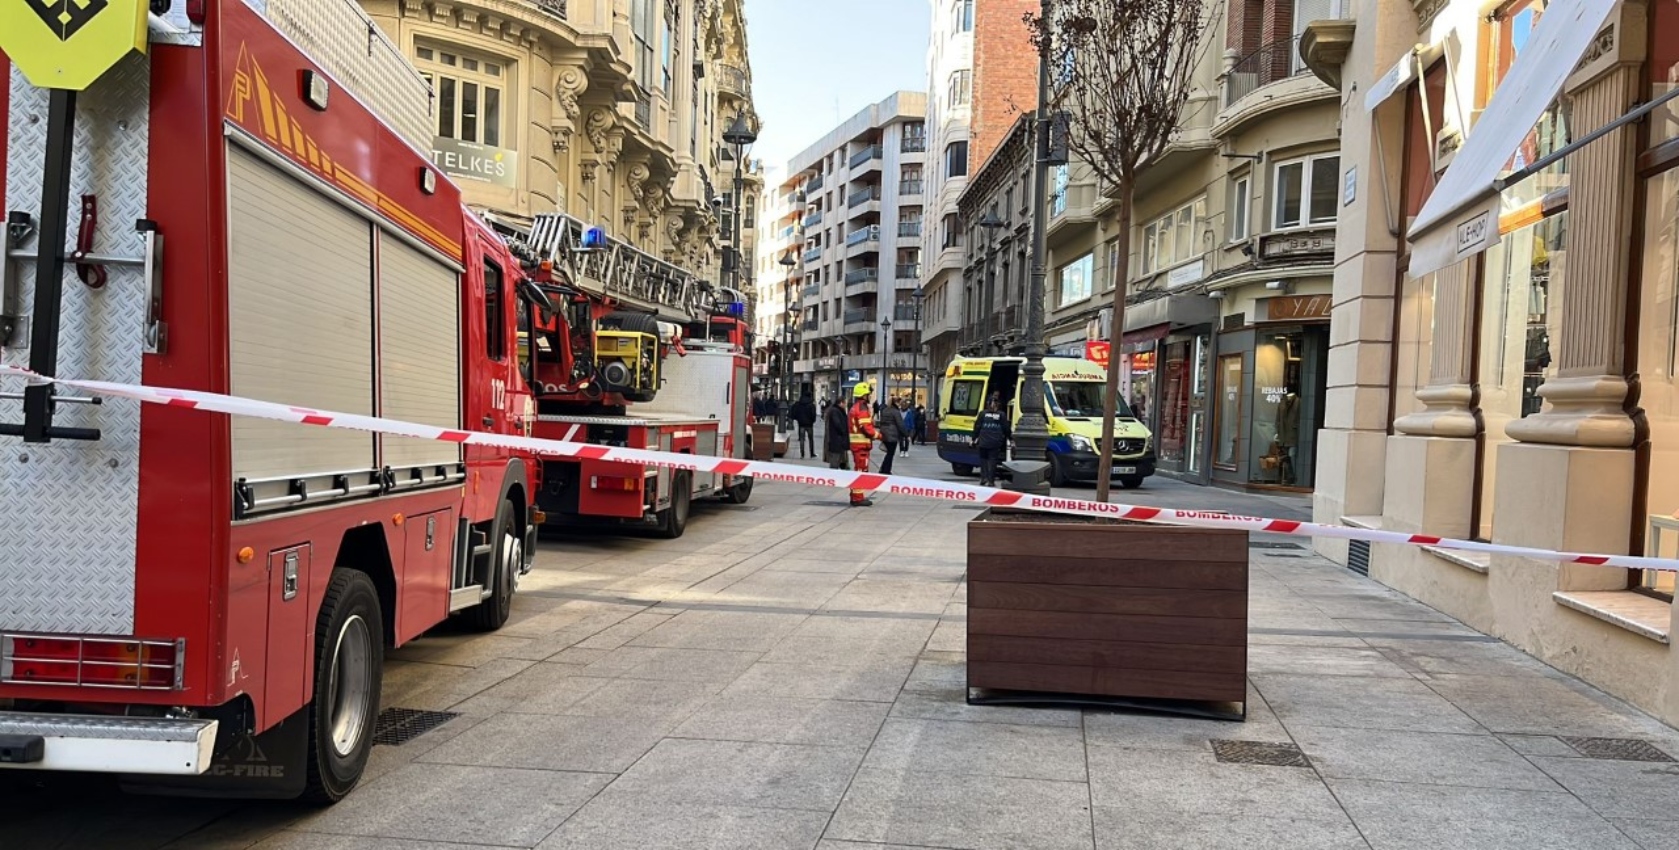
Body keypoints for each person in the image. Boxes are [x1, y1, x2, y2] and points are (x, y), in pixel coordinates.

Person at [848, 383, 879, 506]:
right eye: (868, 394)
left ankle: (855, 495)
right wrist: (880, 436)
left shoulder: (856, 406)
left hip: (858, 445)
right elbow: (867, 428)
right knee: (861, 470)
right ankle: (857, 498)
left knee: (859, 469)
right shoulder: (862, 408)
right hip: (861, 446)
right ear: (864, 395)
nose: (870, 396)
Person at [974, 393, 1011, 488]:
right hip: (995, 442)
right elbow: (1006, 428)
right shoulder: (1001, 415)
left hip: (983, 441)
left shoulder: (983, 414)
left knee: (983, 460)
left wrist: (974, 438)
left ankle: (983, 478)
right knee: (992, 461)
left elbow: (977, 427)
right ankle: (991, 480)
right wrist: (1010, 438)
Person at [876, 397, 907, 476]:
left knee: (888, 453)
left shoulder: (885, 410)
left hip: (884, 434)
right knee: (890, 454)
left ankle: (883, 468)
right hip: (892, 435)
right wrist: (906, 434)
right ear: (896, 403)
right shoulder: (895, 412)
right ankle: (886, 470)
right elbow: (900, 424)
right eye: (899, 402)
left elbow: (881, 422)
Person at [824, 392, 851, 472]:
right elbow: (838, 424)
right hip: (836, 440)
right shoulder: (836, 411)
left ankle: (841, 471)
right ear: (841, 403)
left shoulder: (837, 411)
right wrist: (843, 431)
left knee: (840, 459)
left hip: (839, 440)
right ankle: (833, 474)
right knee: (835, 460)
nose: (846, 405)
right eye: (845, 403)